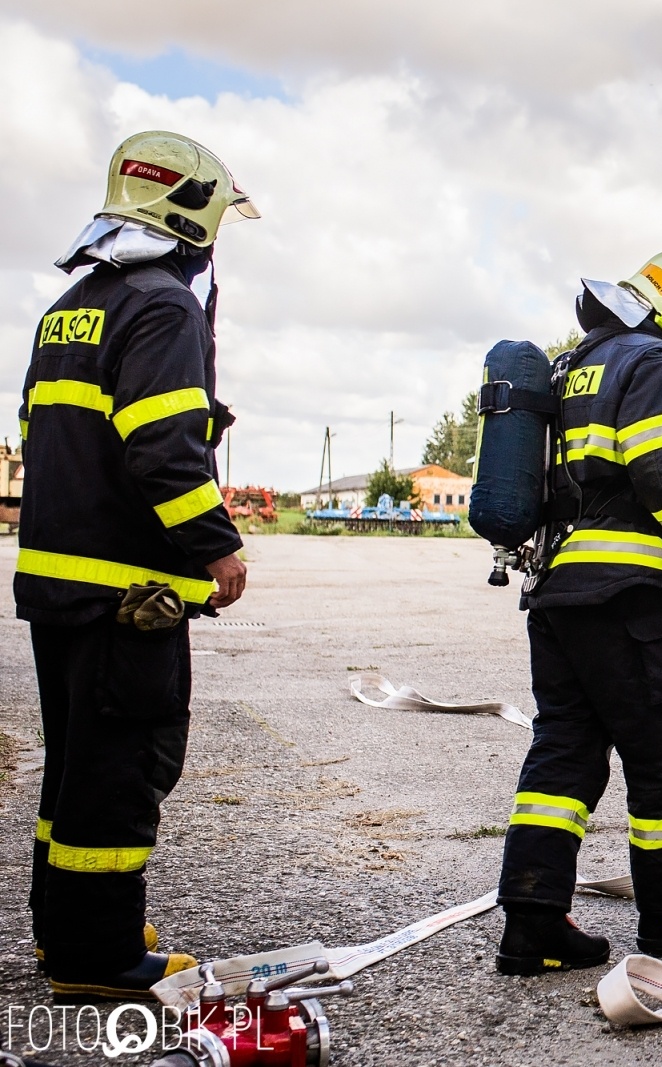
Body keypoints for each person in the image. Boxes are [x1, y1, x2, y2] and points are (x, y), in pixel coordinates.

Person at [16, 131, 258, 1000]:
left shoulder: (73, 304)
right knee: (119, 771)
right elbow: (161, 447)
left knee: (75, 765)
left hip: (59, 585)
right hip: (126, 592)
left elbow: (47, 436)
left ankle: (68, 927)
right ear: (193, 214)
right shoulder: (163, 307)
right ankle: (100, 956)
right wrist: (216, 544)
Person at [495, 251, 662, 973]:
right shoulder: (654, 360)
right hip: (632, 598)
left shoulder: (570, 365)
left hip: (557, 597)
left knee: (564, 752)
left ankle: (532, 920)